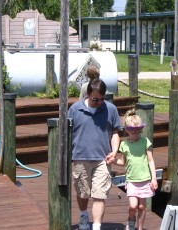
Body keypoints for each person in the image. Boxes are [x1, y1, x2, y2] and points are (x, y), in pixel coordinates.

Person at [68, 78, 122, 230]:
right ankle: (84, 215)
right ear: (88, 94)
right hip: (80, 157)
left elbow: (115, 132)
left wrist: (114, 151)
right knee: (83, 193)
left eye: (101, 99)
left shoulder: (110, 109)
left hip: (102, 159)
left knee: (100, 195)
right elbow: (66, 133)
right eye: (95, 99)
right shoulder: (75, 109)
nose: (99, 102)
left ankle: (97, 226)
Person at [113, 109, 158, 230]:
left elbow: (150, 160)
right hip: (132, 180)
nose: (136, 134)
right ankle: (131, 219)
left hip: (145, 179)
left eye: (138, 131)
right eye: (133, 131)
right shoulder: (124, 145)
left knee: (142, 207)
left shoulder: (145, 142)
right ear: (127, 130)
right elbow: (122, 162)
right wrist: (113, 160)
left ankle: (140, 228)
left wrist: (154, 179)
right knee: (133, 206)